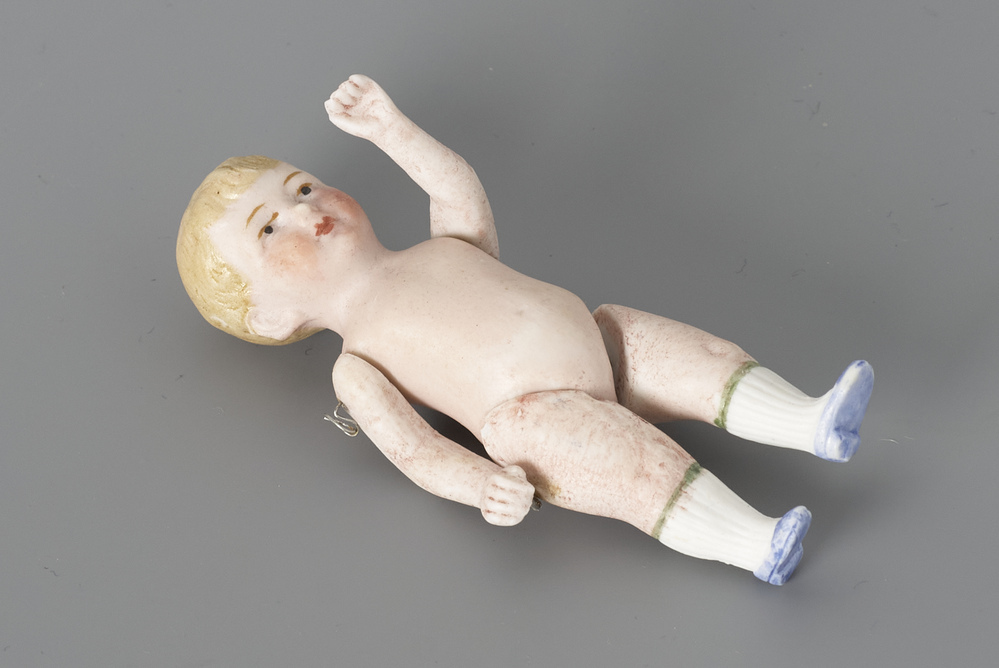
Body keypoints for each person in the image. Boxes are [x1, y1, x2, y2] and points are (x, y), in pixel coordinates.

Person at [177, 75, 874, 585]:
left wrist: (390, 128)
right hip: (531, 419)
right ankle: (755, 542)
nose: (305, 212)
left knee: (700, 356)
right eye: (269, 230)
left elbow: (454, 186)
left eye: (301, 188)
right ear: (273, 317)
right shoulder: (355, 366)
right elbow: (415, 450)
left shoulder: (442, 248)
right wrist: (481, 484)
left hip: (597, 341)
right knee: (639, 466)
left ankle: (810, 420)